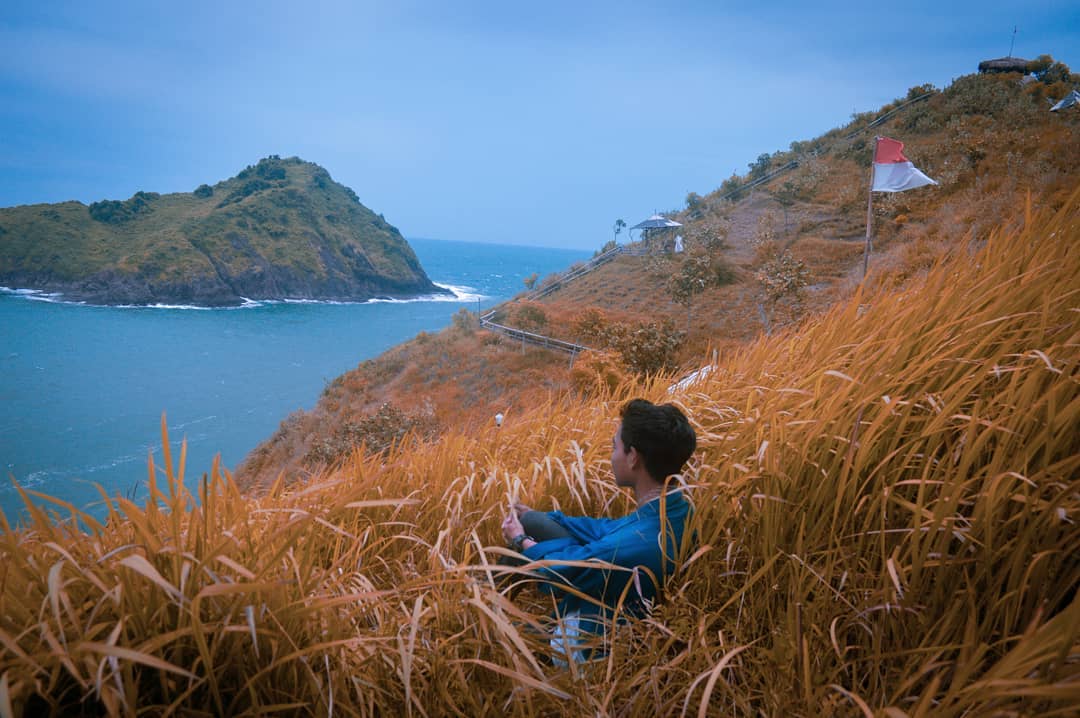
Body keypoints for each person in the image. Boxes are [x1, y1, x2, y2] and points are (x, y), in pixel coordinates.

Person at [499, 398, 697, 661]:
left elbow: (564, 571)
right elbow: (605, 529)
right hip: (613, 603)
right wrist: (542, 518)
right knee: (534, 521)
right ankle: (488, 602)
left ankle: (483, 614)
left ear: (633, 457)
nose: (611, 454)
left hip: (591, 641)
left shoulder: (638, 542)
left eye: (615, 447)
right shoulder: (675, 509)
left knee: (507, 638)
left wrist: (520, 539)